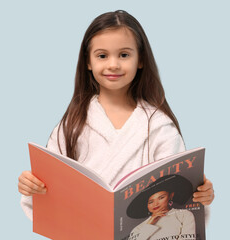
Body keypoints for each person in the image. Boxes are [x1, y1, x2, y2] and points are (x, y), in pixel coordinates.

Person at [18, 10, 214, 221]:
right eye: (102, 55)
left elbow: (177, 194)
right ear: (88, 62)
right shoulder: (70, 126)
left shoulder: (159, 125)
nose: (113, 64)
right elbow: (48, 189)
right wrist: (31, 185)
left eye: (124, 55)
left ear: (140, 60)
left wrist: (201, 194)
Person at [127, 175, 196, 240]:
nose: (156, 204)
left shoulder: (184, 215)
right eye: (151, 202)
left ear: (171, 196)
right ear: (147, 206)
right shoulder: (138, 229)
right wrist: (150, 223)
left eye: (161, 198)